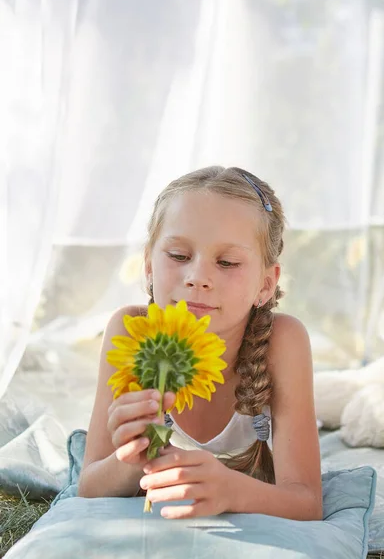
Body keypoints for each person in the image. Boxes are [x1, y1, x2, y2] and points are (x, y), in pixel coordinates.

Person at [78, 166, 322, 521]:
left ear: (266, 284)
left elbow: (307, 503)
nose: (198, 278)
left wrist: (231, 490)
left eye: (227, 262)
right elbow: (89, 487)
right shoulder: (131, 332)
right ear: (148, 265)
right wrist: (132, 458)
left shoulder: (283, 341)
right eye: (178, 256)